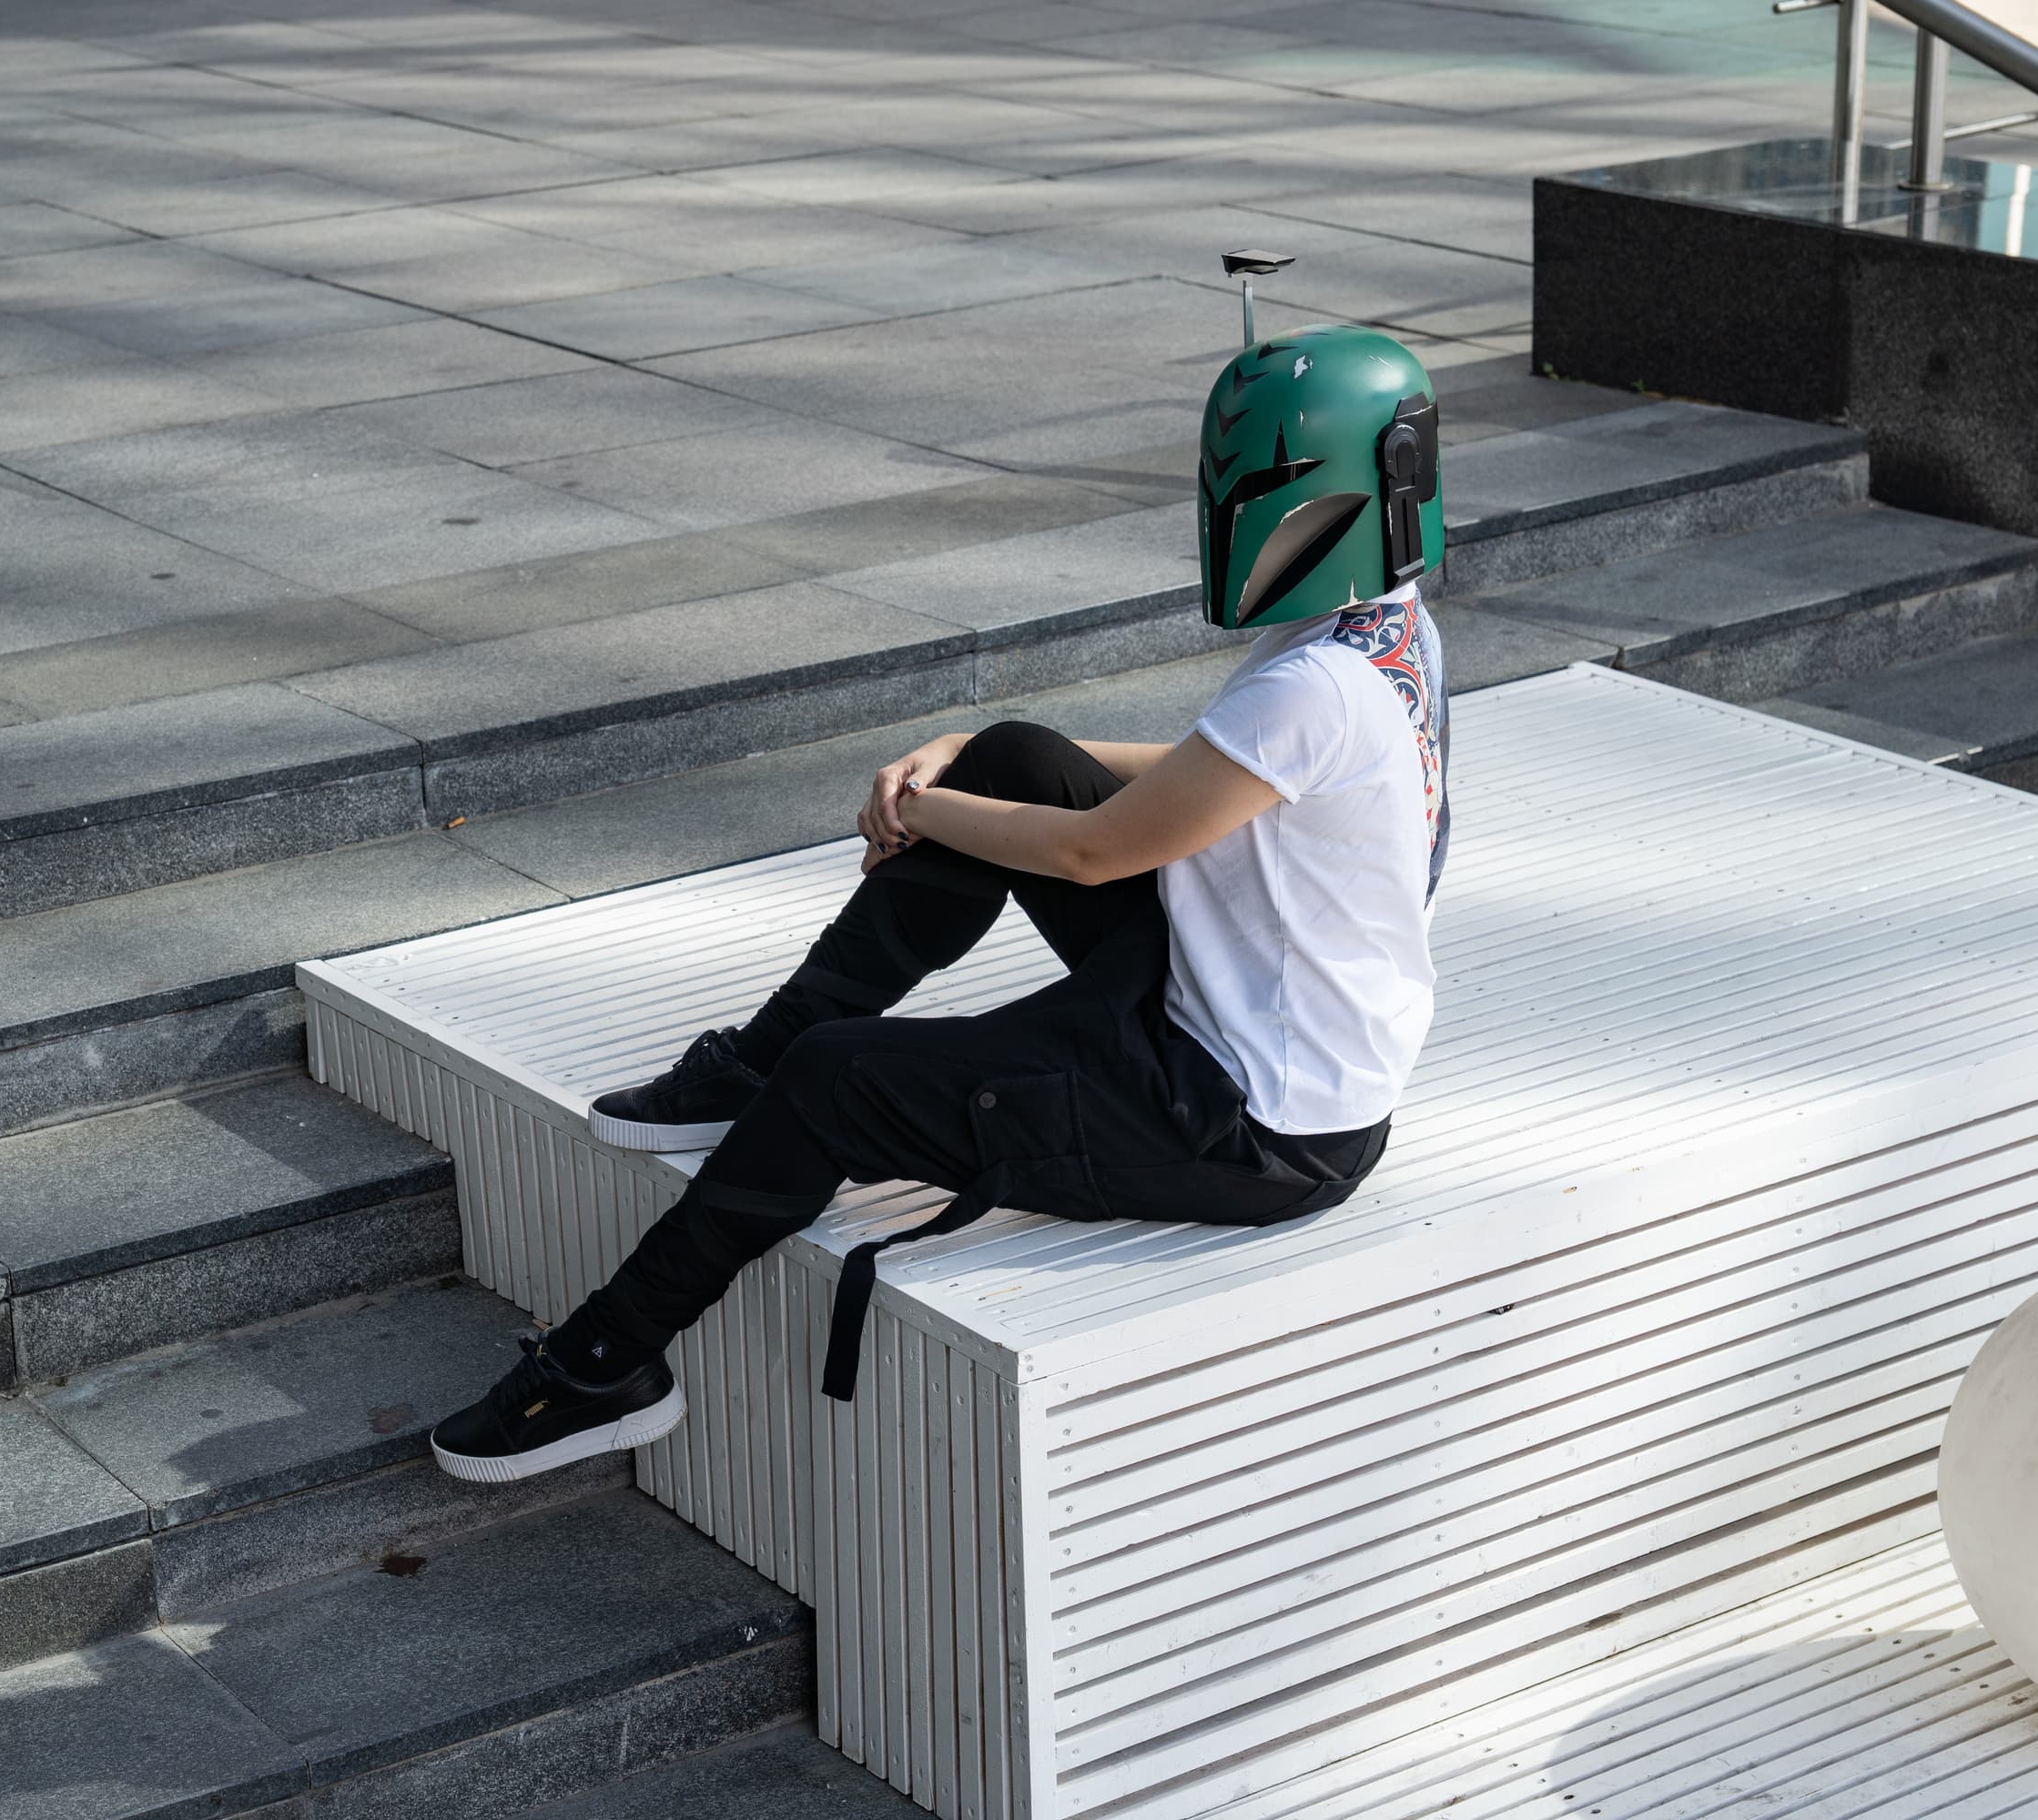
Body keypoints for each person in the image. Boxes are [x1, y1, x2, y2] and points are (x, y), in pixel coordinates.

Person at [430, 322, 1453, 1485]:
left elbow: (1090, 854)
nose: (1231, 512)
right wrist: (964, 756)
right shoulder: (1388, 630)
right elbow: (1218, 769)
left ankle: (602, 1366)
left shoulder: (1316, 684)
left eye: (1258, 488)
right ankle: (749, 1070)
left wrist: (926, 810)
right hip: (1247, 1019)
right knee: (1017, 754)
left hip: (1251, 1122)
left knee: (834, 1077)